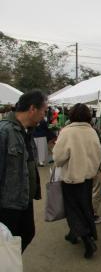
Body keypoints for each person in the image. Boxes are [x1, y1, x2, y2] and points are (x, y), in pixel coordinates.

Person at [0, 90, 47, 252]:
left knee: (27, 233)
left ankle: (11, 266)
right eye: (43, 111)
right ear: (32, 109)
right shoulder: (4, 131)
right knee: (7, 243)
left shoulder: (27, 131)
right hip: (8, 204)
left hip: (24, 198)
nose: (44, 115)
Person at [53, 103, 101, 259]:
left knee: (73, 209)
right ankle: (74, 234)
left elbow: (58, 158)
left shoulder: (67, 132)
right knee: (85, 206)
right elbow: (98, 153)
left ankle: (86, 238)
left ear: (71, 115)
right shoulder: (92, 131)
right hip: (87, 177)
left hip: (71, 178)